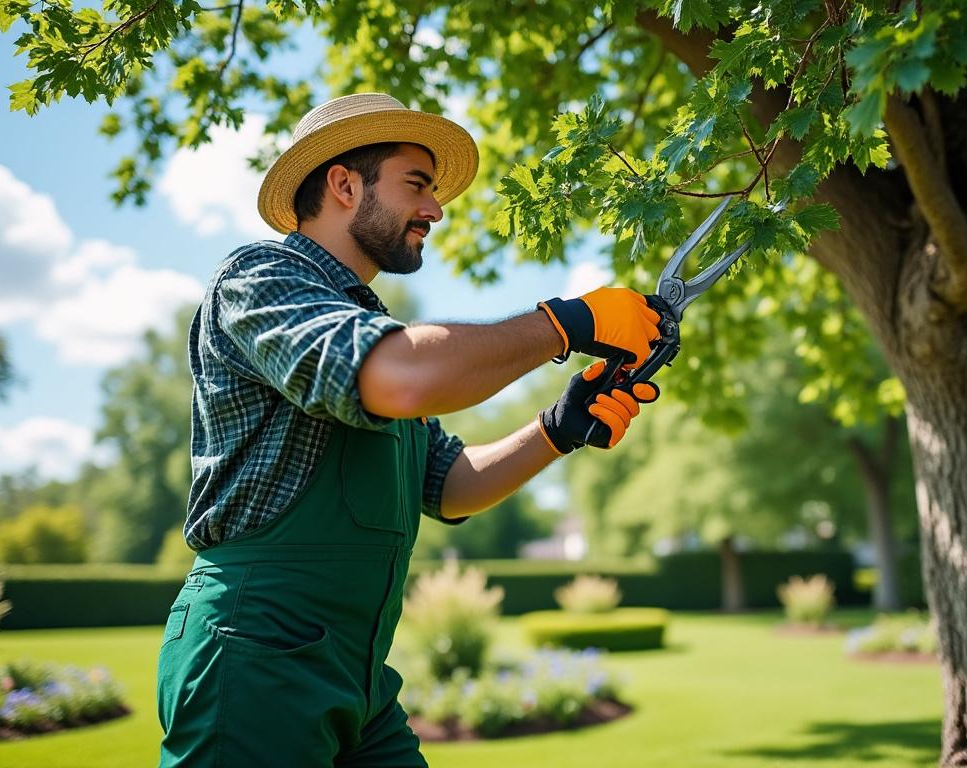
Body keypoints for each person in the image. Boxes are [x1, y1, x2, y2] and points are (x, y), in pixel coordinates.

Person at [156, 93, 664, 767]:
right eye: (416, 186)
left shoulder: (377, 333)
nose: (435, 210)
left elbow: (448, 485)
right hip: (252, 655)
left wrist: (558, 427)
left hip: (358, 674)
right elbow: (401, 377)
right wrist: (566, 322)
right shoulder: (261, 279)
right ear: (343, 185)